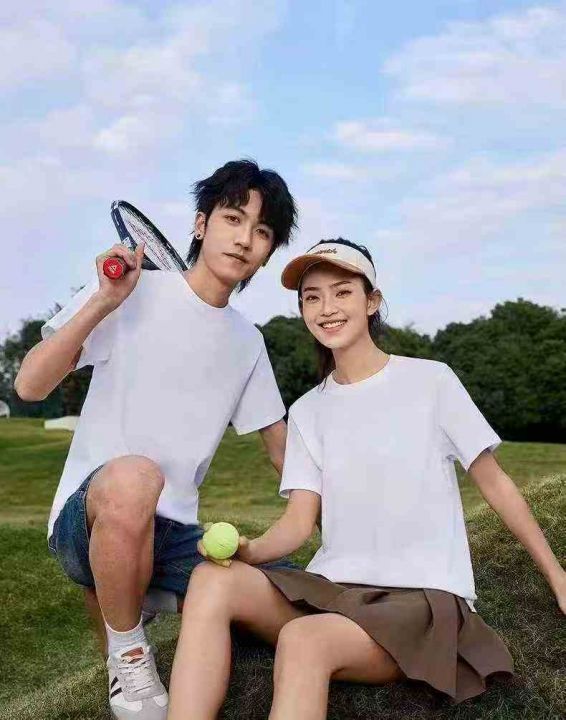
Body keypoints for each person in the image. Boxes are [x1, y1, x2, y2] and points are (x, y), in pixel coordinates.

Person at [167, 238, 566, 719]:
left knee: (304, 638)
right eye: (312, 297)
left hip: (419, 600)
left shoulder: (431, 381)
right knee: (211, 579)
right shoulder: (307, 411)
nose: (327, 308)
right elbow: (298, 522)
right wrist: (248, 552)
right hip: (335, 591)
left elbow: (495, 483)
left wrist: (557, 576)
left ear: (372, 301)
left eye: (342, 292)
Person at [14, 159, 298, 720]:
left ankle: (143, 589)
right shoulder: (131, 291)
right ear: (201, 224)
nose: (244, 239)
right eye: (232, 218)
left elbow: (280, 447)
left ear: (268, 253)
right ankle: (128, 654)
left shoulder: (247, 342)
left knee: (297, 595)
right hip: (88, 517)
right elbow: (29, 385)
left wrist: (343, 513)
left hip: (175, 539)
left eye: (262, 231)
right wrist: (103, 300)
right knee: (137, 476)